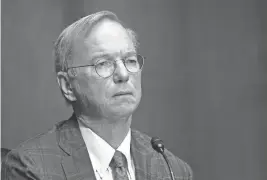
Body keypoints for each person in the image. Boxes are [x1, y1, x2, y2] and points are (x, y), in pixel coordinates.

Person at [1, 11, 193, 180]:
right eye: (103, 64)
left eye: (131, 60)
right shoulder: (32, 166)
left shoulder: (172, 169)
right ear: (68, 85)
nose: (124, 74)